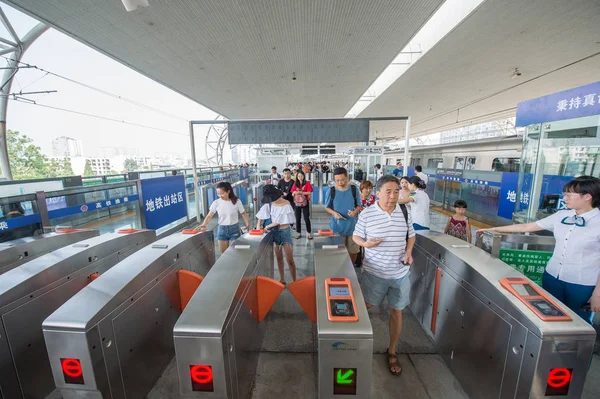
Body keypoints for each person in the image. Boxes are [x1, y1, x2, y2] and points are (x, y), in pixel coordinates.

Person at [477, 176, 600, 323]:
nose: (564, 198)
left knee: (580, 322)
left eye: (569, 195)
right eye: (564, 194)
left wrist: (597, 294)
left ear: (587, 196)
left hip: (582, 284)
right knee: (550, 316)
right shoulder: (562, 215)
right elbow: (526, 227)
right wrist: (493, 229)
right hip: (552, 276)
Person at [353, 175, 415, 376]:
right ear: (377, 193)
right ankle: (354, 345)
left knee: (396, 311)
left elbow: (411, 235)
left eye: (396, 191)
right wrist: (365, 244)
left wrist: (408, 251)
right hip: (375, 272)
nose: (393, 195)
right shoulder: (367, 214)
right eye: (388, 191)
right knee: (365, 307)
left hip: (400, 273)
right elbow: (356, 236)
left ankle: (392, 350)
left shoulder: (405, 211)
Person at [256, 184, 297, 285]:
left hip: (284, 232)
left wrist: (266, 227)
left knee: (290, 259)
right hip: (274, 232)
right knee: (279, 257)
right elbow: (260, 216)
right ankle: (282, 279)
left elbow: (280, 221)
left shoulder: (286, 204)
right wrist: (258, 226)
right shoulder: (268, 204)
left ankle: (295, 282)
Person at [199, 181, 250, 253]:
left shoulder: (236, 201)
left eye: (222, 193)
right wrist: (204, 224)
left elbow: (243, 213)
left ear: (228, 191)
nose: (220, 195)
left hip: (234, 228)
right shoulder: (216, 203)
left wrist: (247, 224)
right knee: (223, 254)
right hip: (222, 229)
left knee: (235, 253)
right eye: (218, 193)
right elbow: (209, 215)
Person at [325, 167, 362, 264]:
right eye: (337, 180)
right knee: (338, 251)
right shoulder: (331, 191)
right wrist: (334, 213)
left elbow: (359, 205)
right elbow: (327, 207)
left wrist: (354, 212)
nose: (340, 182)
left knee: (353, 251)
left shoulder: (354, 189)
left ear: (346, 177)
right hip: (337, 227)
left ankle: (351, 268)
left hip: (352, 227)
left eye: (342, 180)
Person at [291, 170, 313, 239]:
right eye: (299, 176)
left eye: (302, 176)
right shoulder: (295, 184)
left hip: (305, 203)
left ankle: (309, 232)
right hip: (297, 203)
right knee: (298, 218)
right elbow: (292, 193)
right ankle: (298, 232)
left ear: (304, 176)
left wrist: (301, 193)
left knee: (306, 218)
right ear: (297, 177)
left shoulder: (307, 183)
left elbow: (309, 192)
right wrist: (294, 193)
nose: (300, 177)